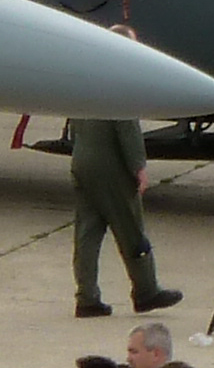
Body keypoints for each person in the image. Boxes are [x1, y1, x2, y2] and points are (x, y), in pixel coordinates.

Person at [66, 103, 180, 320]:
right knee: (131, 231)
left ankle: (87, 298)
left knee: (87, 234)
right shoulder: (118, 88)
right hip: (111, 167)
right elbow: (127, 130)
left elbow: (74, 129)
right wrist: (138, 167)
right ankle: (146, 291)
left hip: (82, 161)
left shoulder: (83, 87)